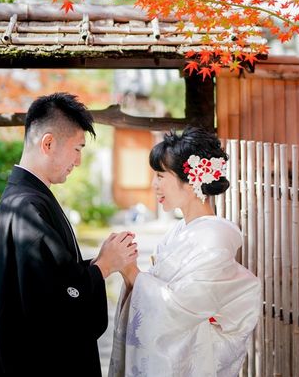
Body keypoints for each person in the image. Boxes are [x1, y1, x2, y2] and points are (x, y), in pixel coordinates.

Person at [0, 92, 138, 377]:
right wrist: (102, 267)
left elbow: (52, 278)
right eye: (77, 148)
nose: (78, 161)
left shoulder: (26, 200)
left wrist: (100, 261)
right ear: (48, 143)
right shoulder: (27, 207)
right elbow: (51, 307)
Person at [109, 127, 262, 377]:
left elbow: (181, 308)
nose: (154, 185)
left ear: (192, 182)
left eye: (161, 176)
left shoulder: (213, 239)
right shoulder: (181, 230)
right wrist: (133, 275)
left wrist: (132, 273)